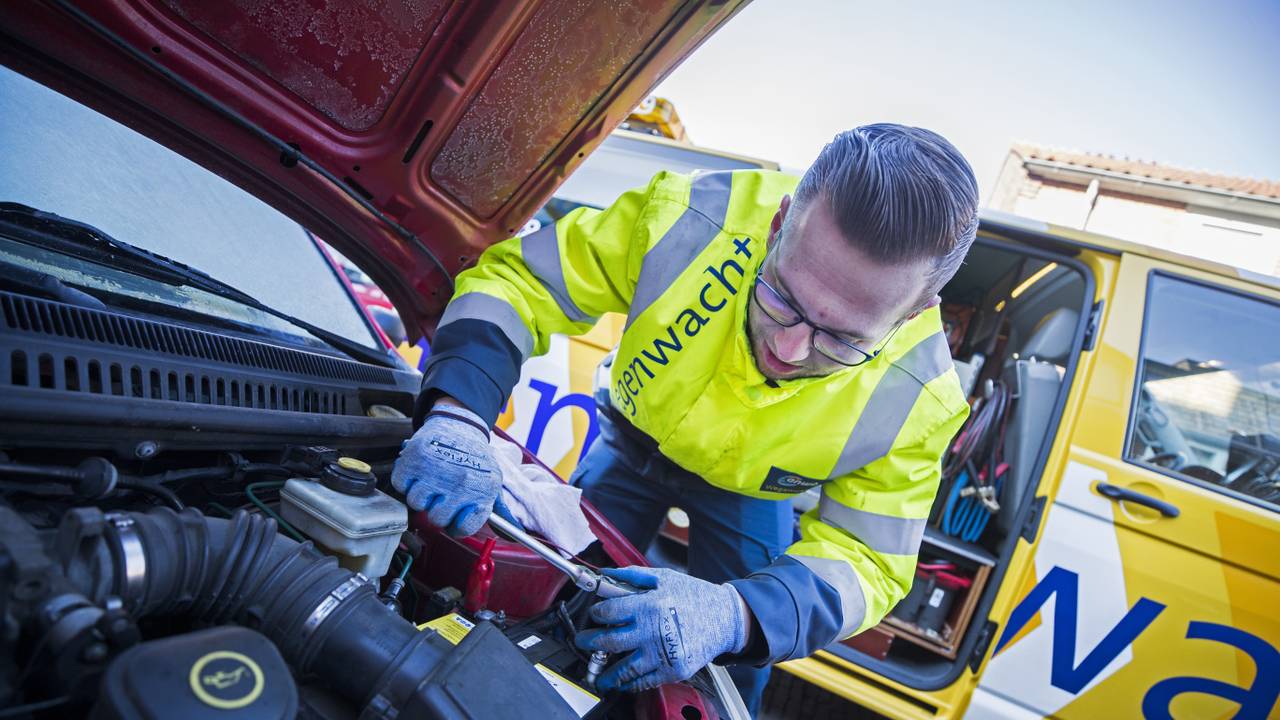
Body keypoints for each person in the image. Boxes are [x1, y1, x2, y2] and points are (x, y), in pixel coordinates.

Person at [392, 123, 978, 716]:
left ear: (913, 315)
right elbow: (522, 283)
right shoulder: (691, 219)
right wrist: (458, 413)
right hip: (630, 445)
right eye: (783, 297)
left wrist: (738, 615)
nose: (790, 349)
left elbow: (868, 559)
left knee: (731, 673)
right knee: (551, 590)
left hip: (750, 491)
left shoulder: (922, 400)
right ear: (777, 225)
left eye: (842, 339)